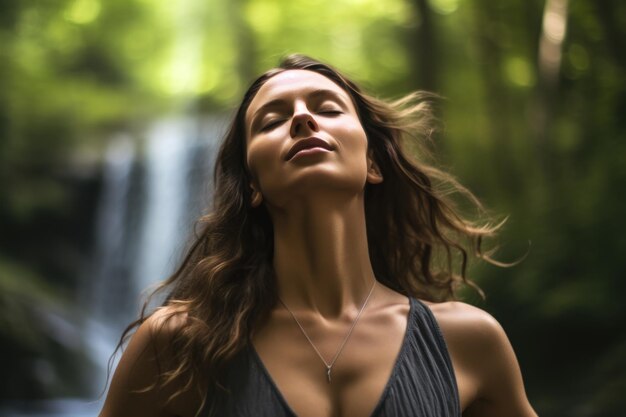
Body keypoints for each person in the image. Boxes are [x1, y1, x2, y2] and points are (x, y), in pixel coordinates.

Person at [99, 54, 537, 417]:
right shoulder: (180, 344)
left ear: (373, 164)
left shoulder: (468, 341)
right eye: (272, 120)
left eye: (327, 109)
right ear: (252, 186)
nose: (303, 119)